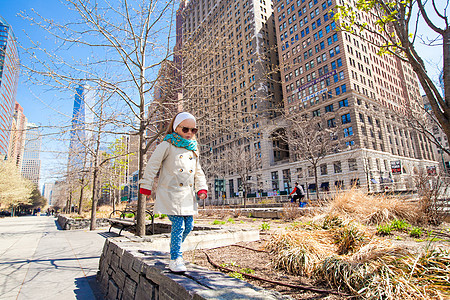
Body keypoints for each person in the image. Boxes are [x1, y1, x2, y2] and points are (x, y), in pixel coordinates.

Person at [139, 112, 208, 273]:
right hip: (170, 193)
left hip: (187, 196)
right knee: (178, 225)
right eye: (186, 129)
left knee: (189, 226)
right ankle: (175, 258)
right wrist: (146, 185)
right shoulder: (167, 144)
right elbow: (152, 165)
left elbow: (198, 172)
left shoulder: (193, 149)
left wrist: (202, 188)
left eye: (193, 130)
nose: (190, 133)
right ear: (176, 128)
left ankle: (173, 248)